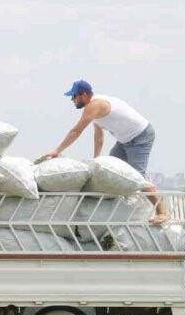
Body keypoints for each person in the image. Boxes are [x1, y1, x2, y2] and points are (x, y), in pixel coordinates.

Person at [43, 80, 167, 224]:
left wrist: (57, 151)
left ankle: (162, 212)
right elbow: (99, 136)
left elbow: (76, 131)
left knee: (136, 177)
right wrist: (96, 160)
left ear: (84, 95)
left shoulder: (95, 105)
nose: (72, 100)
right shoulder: (94, 109)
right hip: (124, 140)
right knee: (111, 172)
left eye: (74, 96)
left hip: (141, 136)